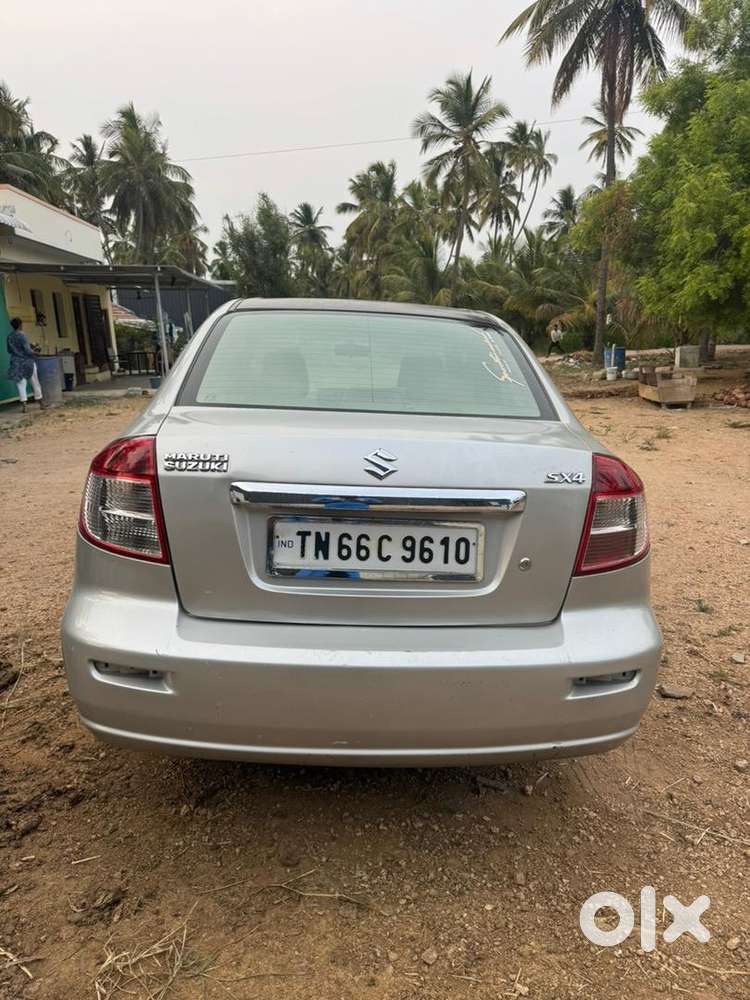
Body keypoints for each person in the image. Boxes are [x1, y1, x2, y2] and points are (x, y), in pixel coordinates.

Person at [7, 317, 47, 413]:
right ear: (20, 325)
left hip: (16, 362)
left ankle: (24, 405)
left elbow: (9, 350)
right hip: (27, 362)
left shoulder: (9, 337)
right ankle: (41, 403)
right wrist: (35, 352)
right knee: (34, 381)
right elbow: (28, 350)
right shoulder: (22, 335)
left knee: (21, 384)